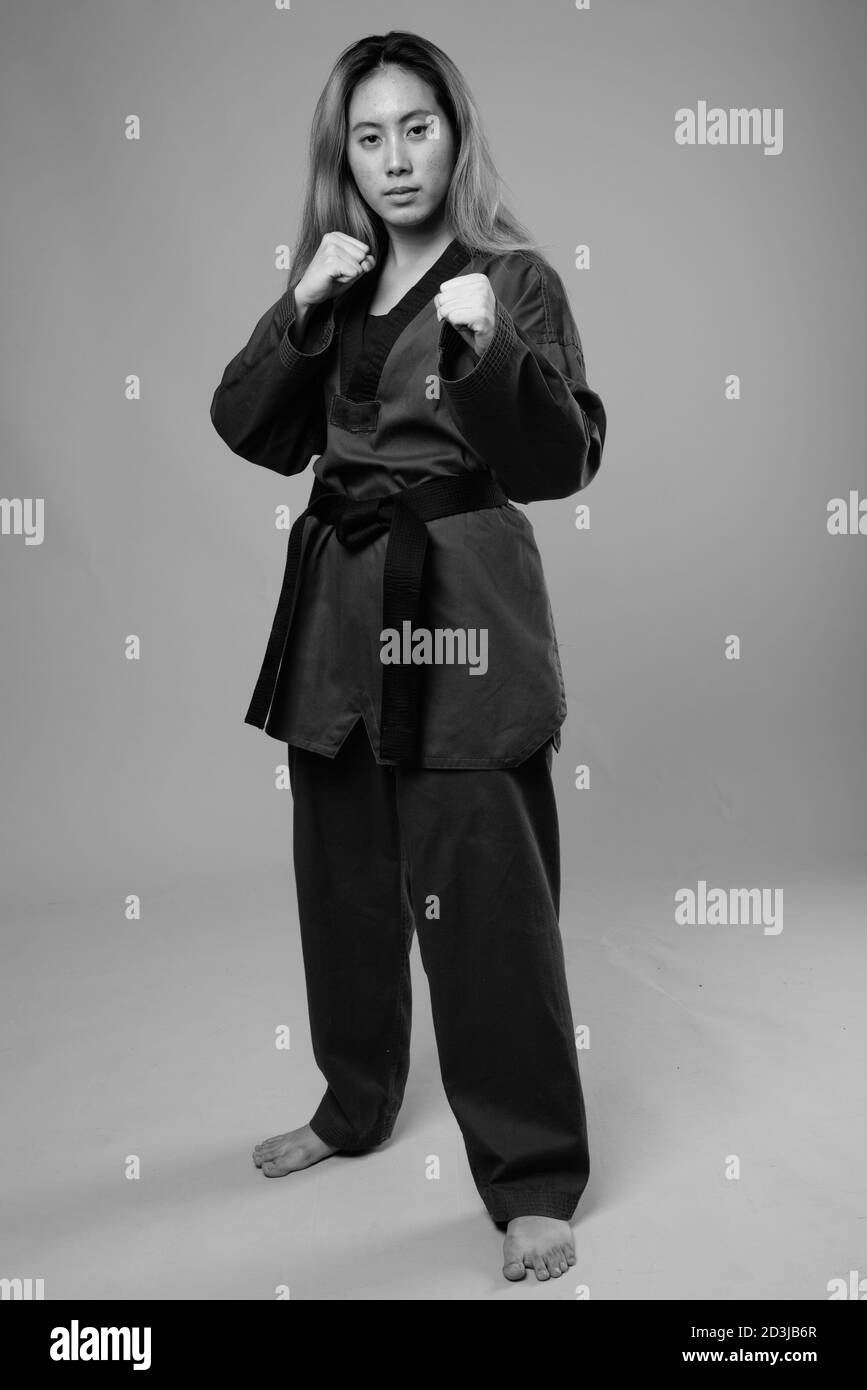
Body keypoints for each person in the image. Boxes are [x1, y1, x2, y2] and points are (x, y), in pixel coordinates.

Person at [209, 29, 607, 1285]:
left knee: (484, 894)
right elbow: (247, 427)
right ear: (346, 155)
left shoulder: (514, 279)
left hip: (463, 614)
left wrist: (488, 350)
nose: (394, 158)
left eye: (416, 129)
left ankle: (532, 1175)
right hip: (339, 606)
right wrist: (300, 308)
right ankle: (355, 1102)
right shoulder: (335, 279)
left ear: (455, 133)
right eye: (368, 136)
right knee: (346, 879)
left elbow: (562, 462)